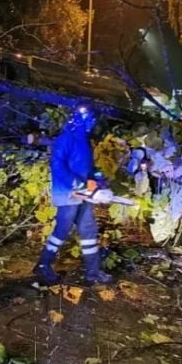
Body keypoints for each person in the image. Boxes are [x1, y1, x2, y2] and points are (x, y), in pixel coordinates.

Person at [34, 103, 114, 287]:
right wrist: (78, 184)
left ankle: (93, 273)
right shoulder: (66, 139)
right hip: (68, 193)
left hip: (83, 193)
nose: (93, 124)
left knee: (89, 230)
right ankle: (43, 265)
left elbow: (88, 167)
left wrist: (98, 179)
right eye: (91, 120)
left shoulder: (84, 140)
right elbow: (57, 165)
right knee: (62, 230)